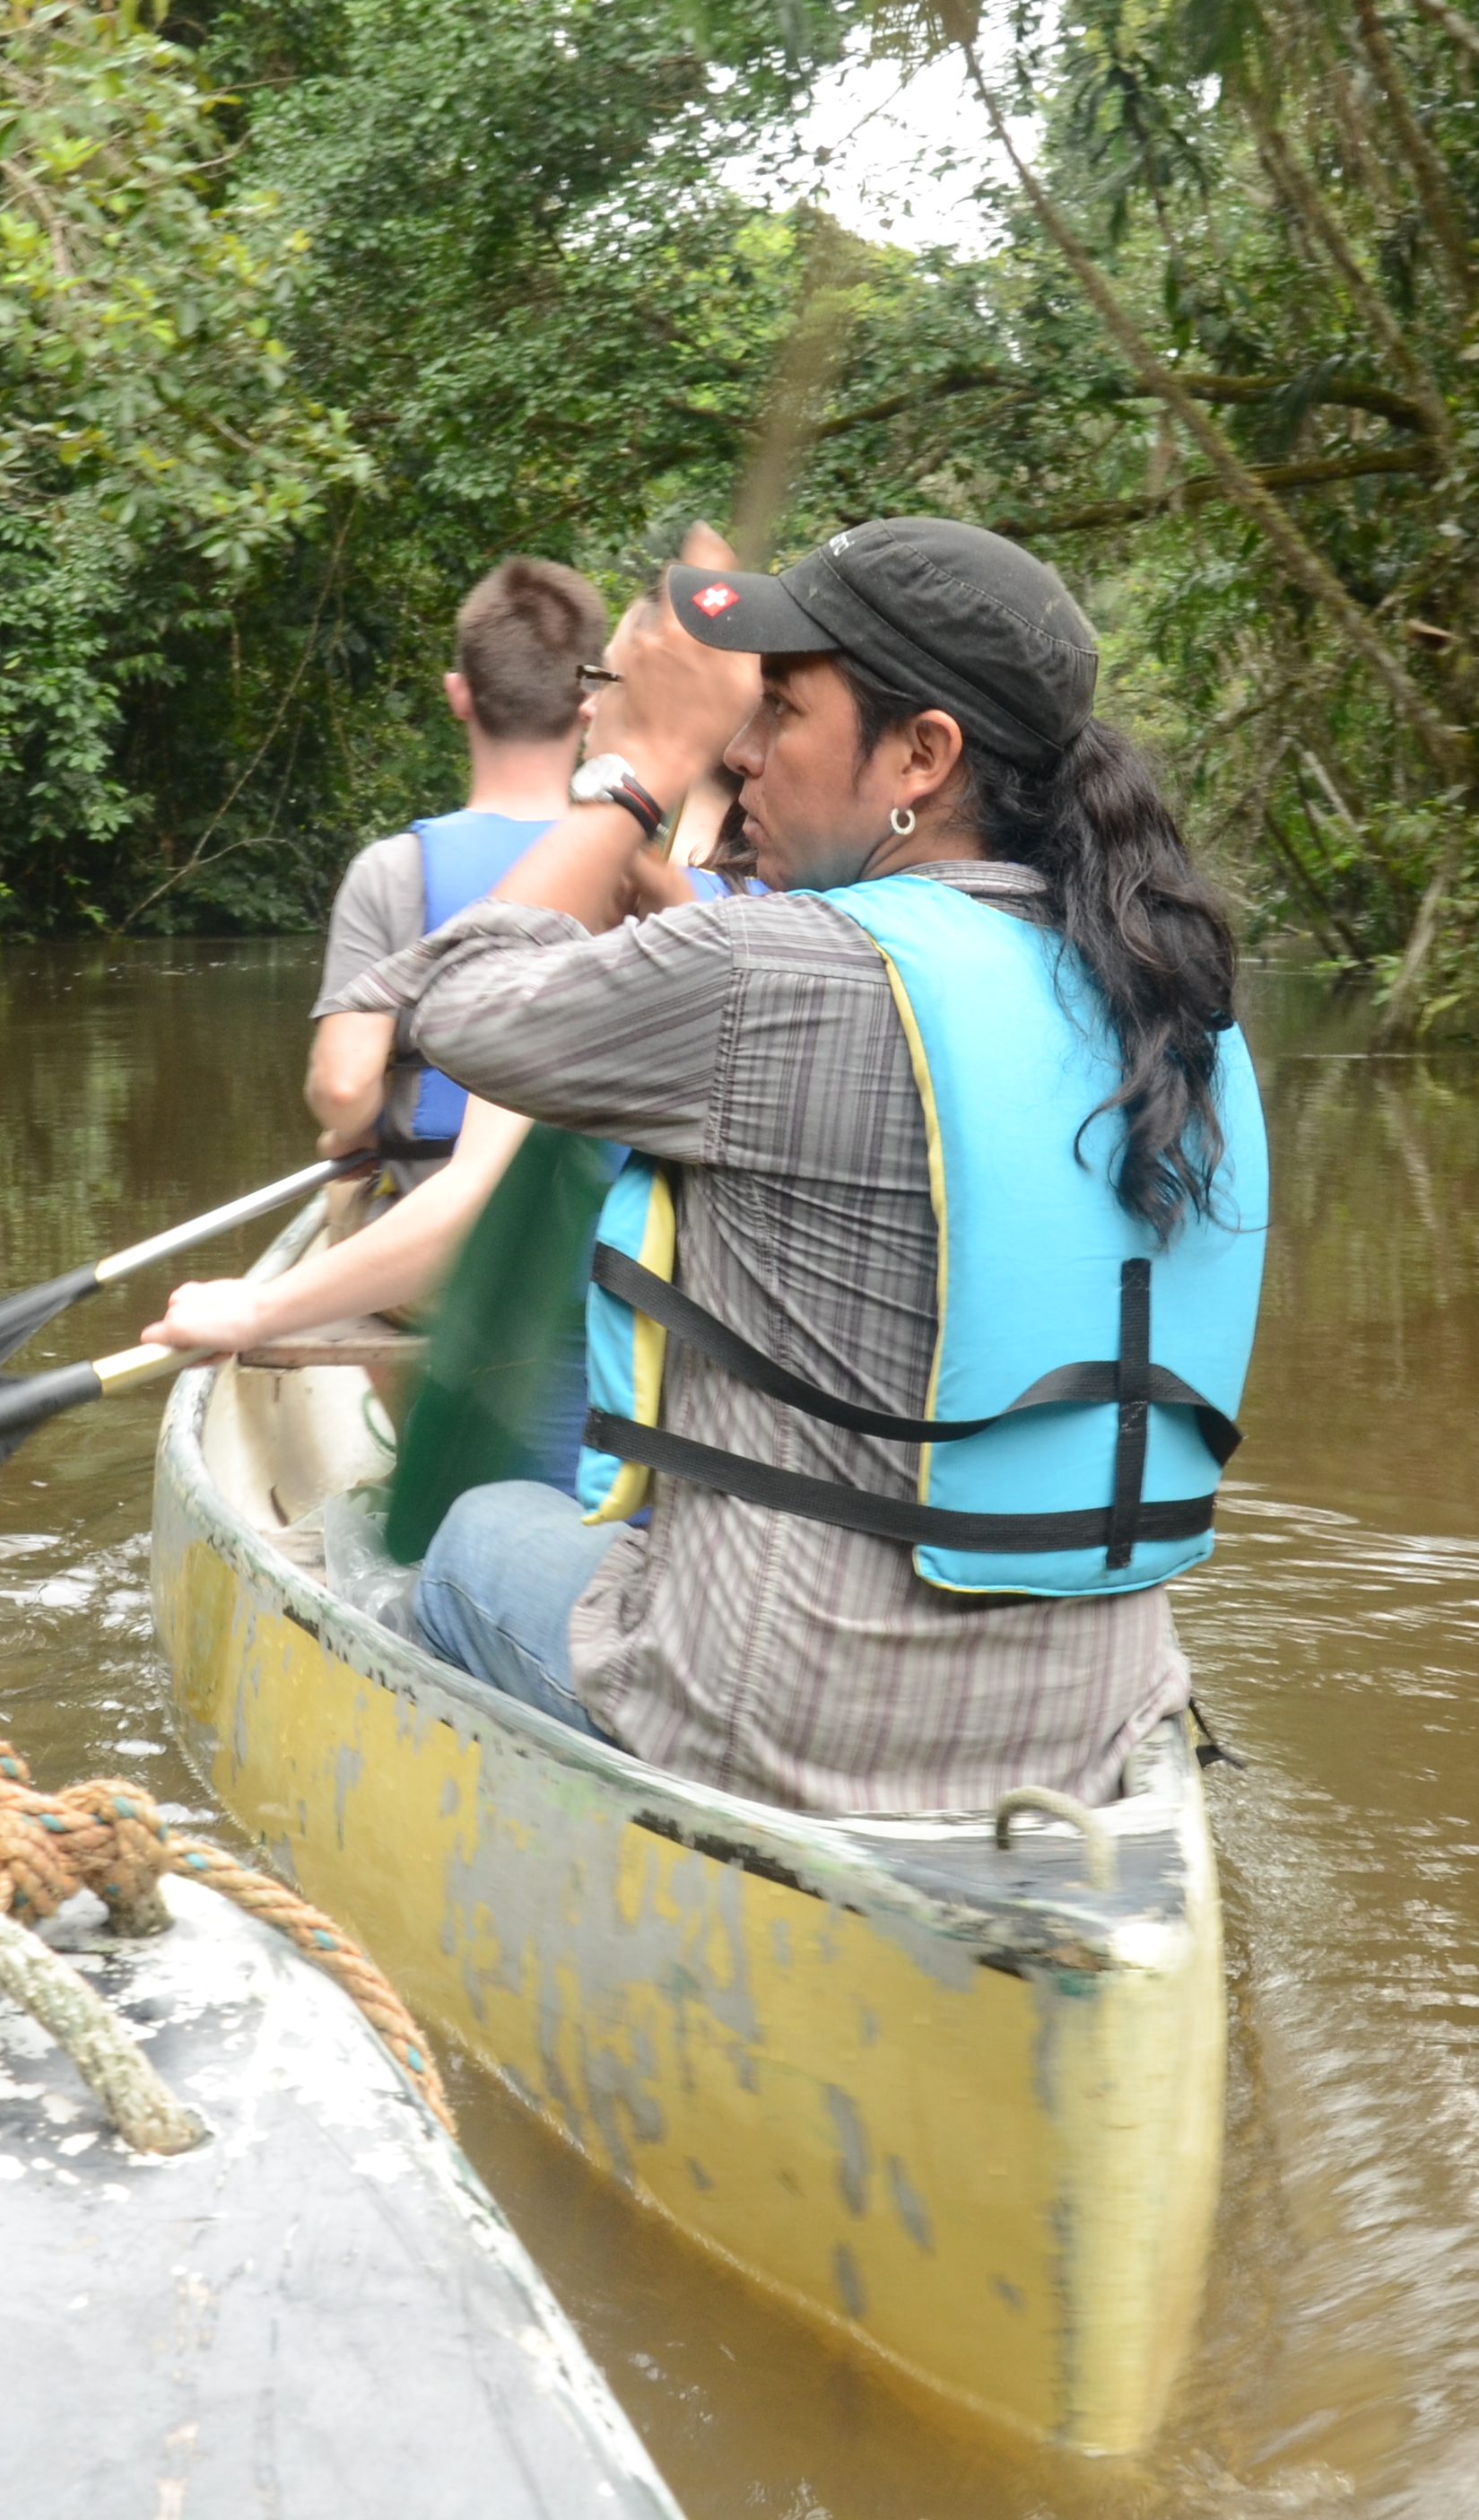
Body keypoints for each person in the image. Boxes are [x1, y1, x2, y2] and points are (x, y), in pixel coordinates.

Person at [333, 517, 1266, 1815]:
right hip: (1090, 1718)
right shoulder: (1175, 997)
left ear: (922, 756)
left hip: (791, 1715)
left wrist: (640, 774)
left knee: (478, 1536)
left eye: (780, 711)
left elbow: (458, 1005)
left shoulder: (772, 970)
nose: (748, 753)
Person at [307, 557, 611, 1173]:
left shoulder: (392, 872)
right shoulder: (641, 869)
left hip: (429, 1221)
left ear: (459, 693)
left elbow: (342, 1091)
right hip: (595, 1233)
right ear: (591, 702)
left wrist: (363, 1124)